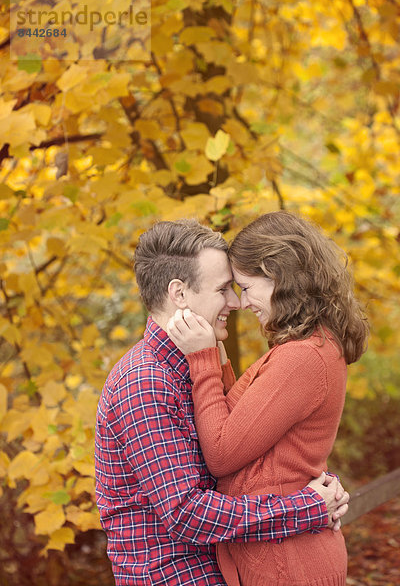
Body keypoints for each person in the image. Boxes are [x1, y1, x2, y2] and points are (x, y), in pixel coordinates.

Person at [95, 218, 350, 586]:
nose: (236, 302)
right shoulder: (146, 381)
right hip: (178, 577)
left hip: (228, 568)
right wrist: (307, 506)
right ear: (179, 294)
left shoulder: (196, 365)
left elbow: (259, 455)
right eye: (223, 289)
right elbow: (186, 514)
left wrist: (320, 485)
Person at [167, 212, 369, 586]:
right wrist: (218, 357)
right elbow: (253, 427)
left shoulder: (303, 356)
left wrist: (202, 359)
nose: (242, 302)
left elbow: (223, 452)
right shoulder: (306, 347)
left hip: (288, 563)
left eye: (245, 287)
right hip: (281, 552)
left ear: (279, 276)